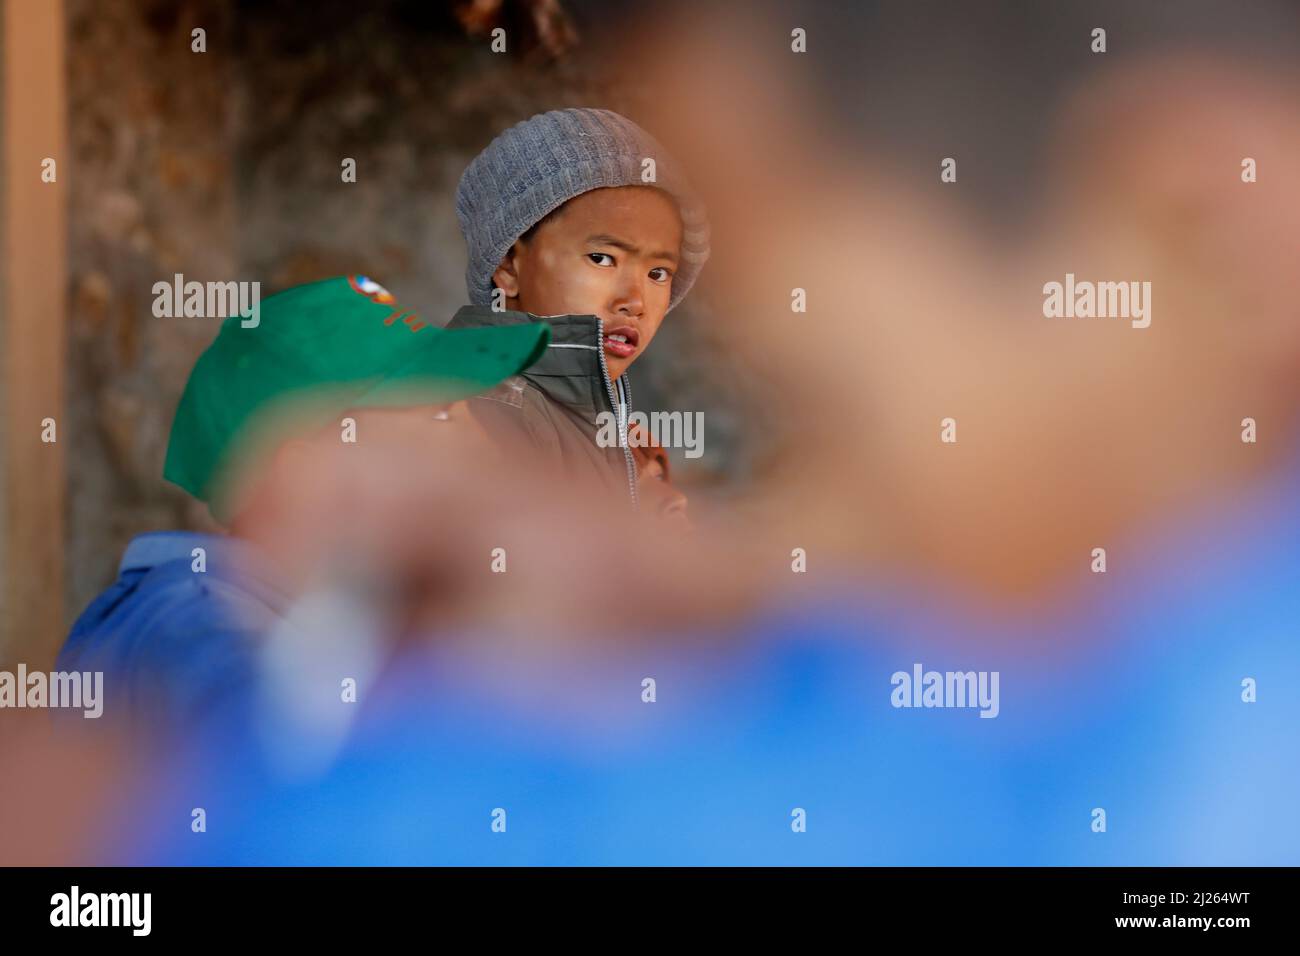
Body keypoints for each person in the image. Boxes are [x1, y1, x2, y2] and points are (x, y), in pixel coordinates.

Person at [55, 275, 550, 735]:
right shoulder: (192, 624)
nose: (485, 446)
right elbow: (302, 769)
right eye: (442, 415)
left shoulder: (302, 617)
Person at [448, 108, 709, 520]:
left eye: (658, 273)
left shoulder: (605, 429)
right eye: (602, 258)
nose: (635, 301)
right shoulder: (476, 414)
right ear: (509, 268)